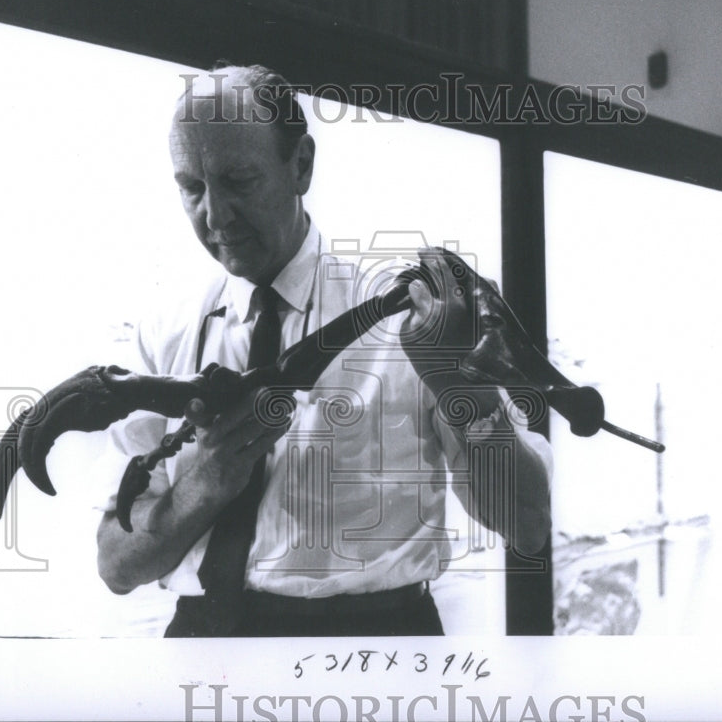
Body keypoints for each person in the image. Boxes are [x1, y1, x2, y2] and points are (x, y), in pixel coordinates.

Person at [94, 64, 553, 636]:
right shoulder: (161, 335)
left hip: (376, 658)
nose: (214, 215)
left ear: (301, 166)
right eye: (192, 187)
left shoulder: (413, 317)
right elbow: (116, 565)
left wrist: (469, 394)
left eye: (238, 180)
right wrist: (207, 481)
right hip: (202, 649)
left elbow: (528, 526)